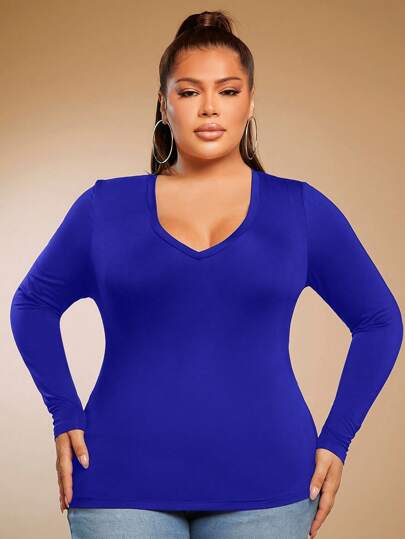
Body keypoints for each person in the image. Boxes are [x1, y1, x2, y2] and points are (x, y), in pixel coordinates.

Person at [9, 9, 403, 539]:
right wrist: (64, 413)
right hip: (120, 475)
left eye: (228, 90)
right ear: (163, 103)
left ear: (250, 102)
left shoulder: (300, 210)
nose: (210, 107)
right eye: (190, 91)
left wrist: (338, 437)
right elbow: (32, 305)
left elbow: (379, 320)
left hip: (270, 479)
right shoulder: (105, 208)